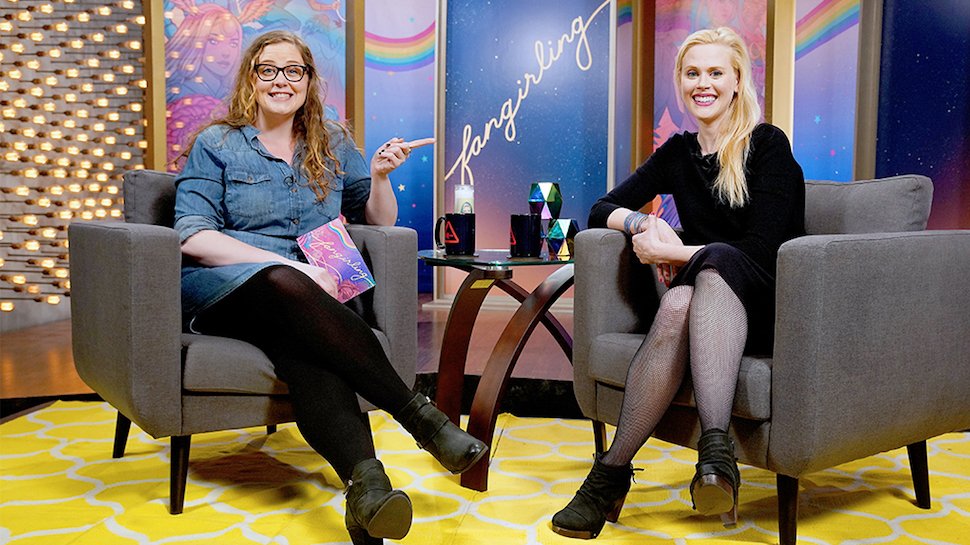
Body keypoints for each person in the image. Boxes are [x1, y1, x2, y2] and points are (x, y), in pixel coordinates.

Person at [173, 30, 487, 545]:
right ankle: (421, 418)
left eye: (293, 70)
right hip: (226, 288)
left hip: (309, 298)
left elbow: (375, 219)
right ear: (251, 79)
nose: (281, 80)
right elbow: (193, 236)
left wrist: (382, 177)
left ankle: (369, 492)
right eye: (268, 69)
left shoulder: (334, 142)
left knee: (306, 355)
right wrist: (290, 266)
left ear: (309, 80)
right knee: (281, 281)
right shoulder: (218, 143)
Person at [551, 27, 805, 539]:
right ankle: (711, 459)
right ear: (681, 83)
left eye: (716, 73)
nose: (703, 84)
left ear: (737, 82)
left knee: (712, 268)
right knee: (682, 299)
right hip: (701, 309)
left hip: (764, 307)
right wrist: (642, 224)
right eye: (693, 74)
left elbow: (760, 253)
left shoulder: (768, 145)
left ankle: (611, 477)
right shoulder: (678, 153)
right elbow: (602, 208)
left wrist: (673, 251)